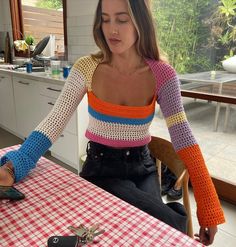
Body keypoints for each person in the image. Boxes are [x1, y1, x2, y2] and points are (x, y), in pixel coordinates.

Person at [0, 0, 225, 245]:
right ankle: (175, 220)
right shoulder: (86, 68)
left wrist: (208, 205)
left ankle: (173, 221)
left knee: (149, 234)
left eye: (122, 19)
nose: (111, 29)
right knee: (134, 229)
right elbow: (54, 121)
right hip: (100, 170)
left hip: (143, 169)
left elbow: (184, 138)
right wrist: (14, 166)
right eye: (105, 19)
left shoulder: (163, 74)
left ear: (141, 21)